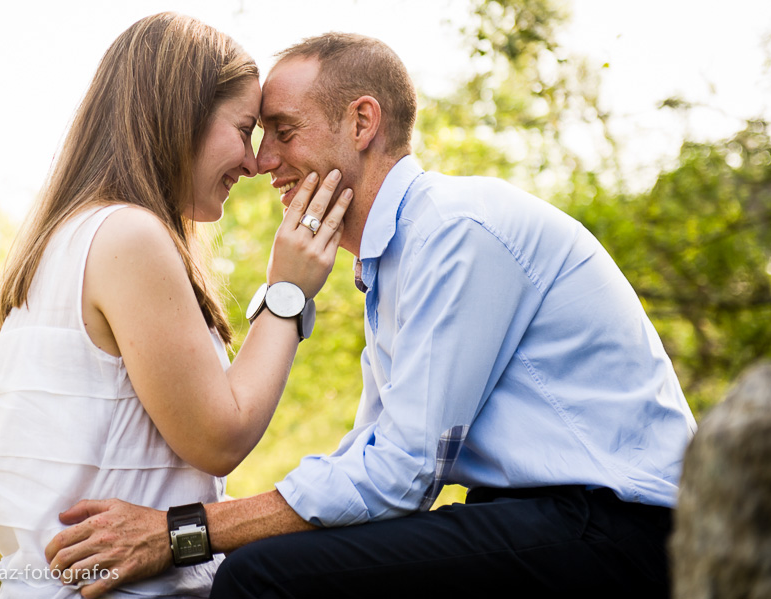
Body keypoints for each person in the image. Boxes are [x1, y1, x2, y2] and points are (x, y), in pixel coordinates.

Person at [45, 32, 698, 599]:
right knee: (266, 562)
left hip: (620, 528)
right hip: (545, 519)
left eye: (284, 130)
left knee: (260, 579)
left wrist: (178, 534)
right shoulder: (397, 259)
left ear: (362, 123)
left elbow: (397, 476)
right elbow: (369, 462)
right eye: (257, 135)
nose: (263, 161)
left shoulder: (455, 230)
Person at [0, 14, 351, 599]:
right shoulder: (130, 236)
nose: (255, 163)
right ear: (181, 117)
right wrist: (289, 292)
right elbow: (218, 438)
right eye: (244, 128)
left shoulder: (63, 241)